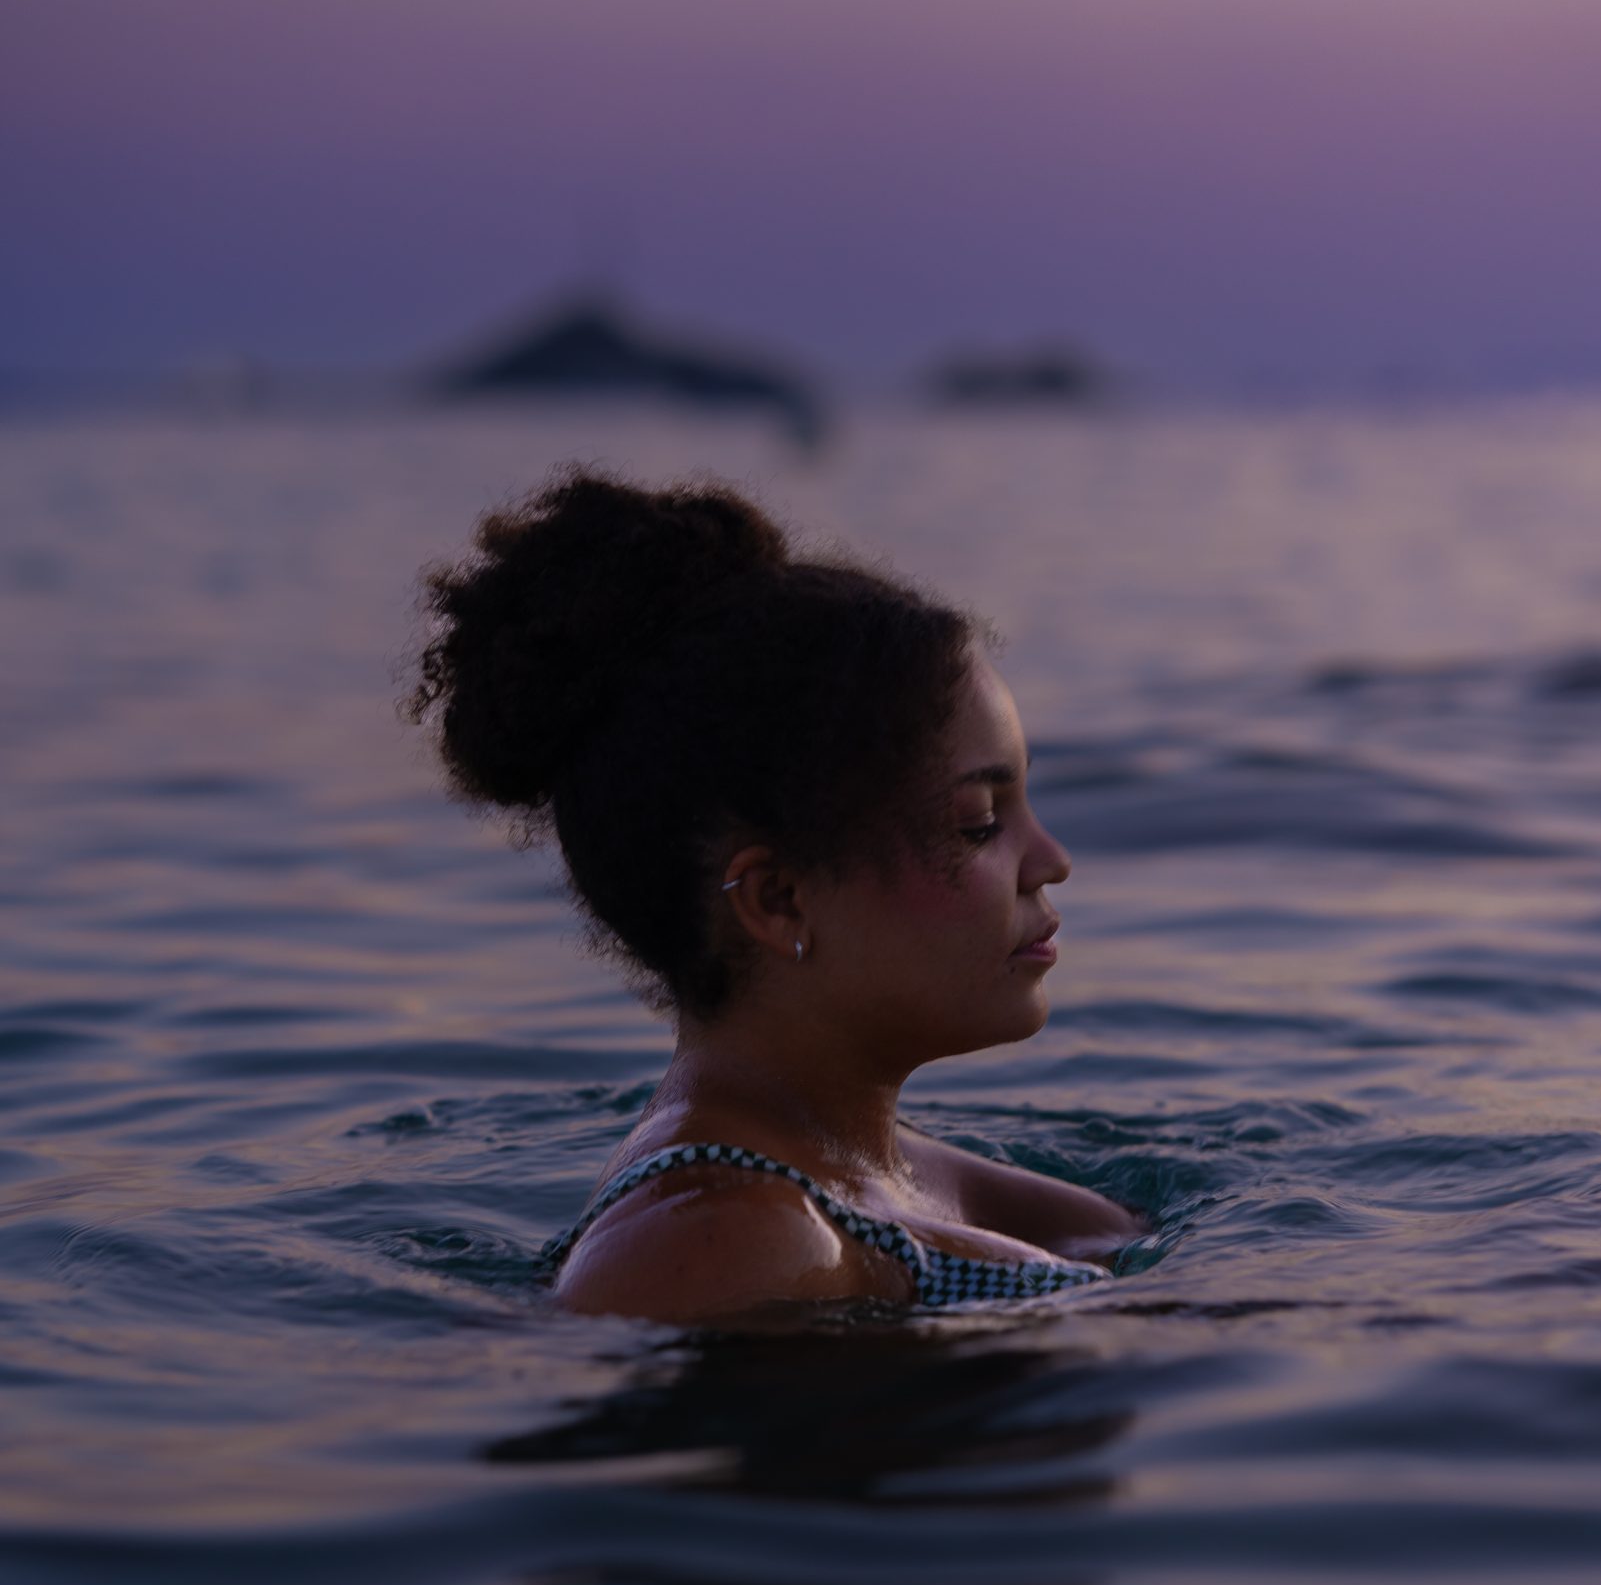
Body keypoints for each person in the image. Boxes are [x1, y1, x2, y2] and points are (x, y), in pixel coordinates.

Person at [410, 466, 1149, 1325]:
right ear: (780, 901)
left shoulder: (869, 1183)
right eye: (979, 824)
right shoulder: (722, 1238)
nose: (1051, 861)